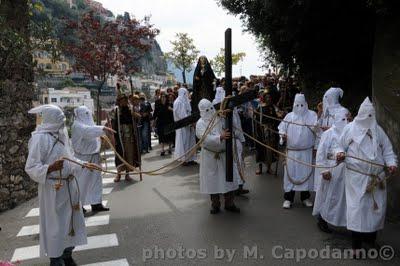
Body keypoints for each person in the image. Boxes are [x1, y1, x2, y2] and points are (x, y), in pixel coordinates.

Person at [25, 105, 100, 265]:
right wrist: (50, 168)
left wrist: (84, 164)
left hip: (69, 187)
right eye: (60, 119)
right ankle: (56, 260)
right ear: (52, 119)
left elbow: (70, 157)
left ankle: (67, 255)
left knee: (71, 223)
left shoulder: (62, 134)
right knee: (56, 227)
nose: (63, 122)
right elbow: (31, 167)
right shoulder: (40, 139)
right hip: (53, 190)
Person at [336, 97, 397, 254]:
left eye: (371, 115)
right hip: (356, 178)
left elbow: (388, 150)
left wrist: (392, 163)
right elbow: (338, 145)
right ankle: (356, 246)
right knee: (357, 210)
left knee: (375, 210)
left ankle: (370, 240)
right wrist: (340, 153)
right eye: (366, 115)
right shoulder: (349, 129)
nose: (369, 119)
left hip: (376, 178)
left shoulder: (378, 130)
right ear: (361, 114)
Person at [196, 99, 241, 214]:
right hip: (210, 156)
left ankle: (229, 203)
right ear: (201, 111)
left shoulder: (220, 118)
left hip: (224, 154)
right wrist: (219, 137)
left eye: (211, 108)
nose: (210, 111)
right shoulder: (200, 123)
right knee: (213, 180)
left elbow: (232, 128)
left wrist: (229, 117)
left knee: (228, 179)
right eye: (206, 110)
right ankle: (215, 204)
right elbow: (204, 138)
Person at [312, 109, 349, 233]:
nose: (347, 122)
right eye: (344, 119)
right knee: (328, 197)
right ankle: (322, 220)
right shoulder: (329, 134)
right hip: (331, 172)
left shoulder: (351, 132)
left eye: (348, 119)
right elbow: (321, 154)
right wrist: (323, 171)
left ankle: (344, 222)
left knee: (343, 199)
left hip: (346, 173)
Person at [278, 94, 317, 209]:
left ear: (305, 104)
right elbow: (281, 128)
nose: (299, 107)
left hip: (306, 152)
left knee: (306, 174)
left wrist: (316, 148)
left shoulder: (312, 115)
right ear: (294, 104)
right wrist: (282, 136)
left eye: (302, 105)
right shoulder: (289, 116)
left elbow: (317, 130)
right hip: (292, 153)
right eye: (297, 105)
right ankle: (288, 198)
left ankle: (305, 197)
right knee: (291, 175)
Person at [71, 106, 114, 213]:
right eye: (85, 114)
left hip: (94, 155)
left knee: (96, 181)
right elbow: (87, 132)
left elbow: (93, 130)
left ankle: (96, 203)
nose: (87, 116)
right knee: (82, 182)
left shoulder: (90, 124)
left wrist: (102, 130)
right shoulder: (77, 125)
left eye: (88, 113)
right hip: (82, 158)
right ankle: (79, 205)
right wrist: (103, 129)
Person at [212, 86, 249, 195]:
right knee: (232, 164)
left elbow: (238, 125)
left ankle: (239, 185)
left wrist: (241, 139)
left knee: (239, 163)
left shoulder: (232, 109)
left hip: (236, 139)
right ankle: (235, 187)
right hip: (228, 140)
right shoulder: (217, 111)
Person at [111, 94, 141, 182]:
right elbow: (113, 123)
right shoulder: (116, 110)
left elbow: (137, 120)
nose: (123, 102)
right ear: (119, 102)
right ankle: (119, 174)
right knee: (119, 156)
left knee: (129, 155)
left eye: (125, 100)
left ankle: (127, 174)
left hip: (129, 136)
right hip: (120, 136)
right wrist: (114, 136)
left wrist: (136, 116)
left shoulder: (130, 109)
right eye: (122, 100)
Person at [254, 89, 279, 175]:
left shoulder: (272, 107)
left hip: (270, 131)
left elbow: (275, 118)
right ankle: (260, 169)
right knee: (260, 149)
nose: (268, 99)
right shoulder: (259, 107)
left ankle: (269, 168)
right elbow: (256, 120)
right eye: (267, 97)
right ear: (264, 98)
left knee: (269, 150)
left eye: (269, 97)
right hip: (261, 131)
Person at [173, 87, 197, 166]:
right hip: (182, 126)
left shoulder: (185, 102)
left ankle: (190, 158)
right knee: (184, 142)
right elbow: (182, 116)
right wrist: (191, 123)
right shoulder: (178, 102)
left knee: (190, 142)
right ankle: (184, 159)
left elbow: (188, 113)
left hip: (188, 125)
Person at [153, 91, 175, 156]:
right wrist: (154, 121)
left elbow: (173, 113)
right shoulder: (158, 104)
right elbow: (155, 113)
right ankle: (162, 150)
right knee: (161, 136)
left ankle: (170, 148)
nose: (163, 98)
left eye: (164, 97)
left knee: (169, 135)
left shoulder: (169, 104)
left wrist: (171, 109)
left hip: (169, 122)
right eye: (162, 96)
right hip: (160, 122)